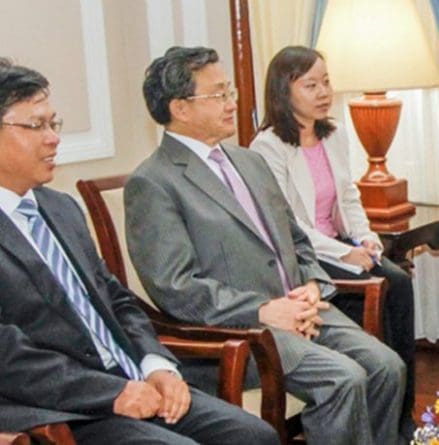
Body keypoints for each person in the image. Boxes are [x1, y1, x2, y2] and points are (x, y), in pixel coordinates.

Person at [124, 46, 406, 445]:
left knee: (387, 366)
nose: (231, 103)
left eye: (230, 92)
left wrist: (311, 287)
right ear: (180, 109)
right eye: (218, 95)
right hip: (241, 332)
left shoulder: (247, 161)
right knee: (343, 379)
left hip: (301, 311)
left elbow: (297, 239)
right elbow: (176, 288)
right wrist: (265, 310)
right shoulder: (154, 183)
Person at [0, 60, 278, 444]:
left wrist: (156, 364)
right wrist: (111, 393)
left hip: (135, 377)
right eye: (36, 126)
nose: (53, 138)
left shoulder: (60, 208)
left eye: (53, 123)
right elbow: (8, 358)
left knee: (253, 435)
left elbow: (117, 298)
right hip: (67, 407)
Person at [249, 45, 417, 436]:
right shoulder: (268, 147)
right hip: (307, 254)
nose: (323, 92)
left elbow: (349, 195)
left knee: (401, 283)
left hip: (342, 241)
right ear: (283, 91)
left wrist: (366, 238)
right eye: (311, 85)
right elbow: (290, 225)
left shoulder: (334, 133)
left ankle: (402, 416)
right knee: (379, 288)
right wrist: (346, 253)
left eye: (326, 82)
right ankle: (380, 420)